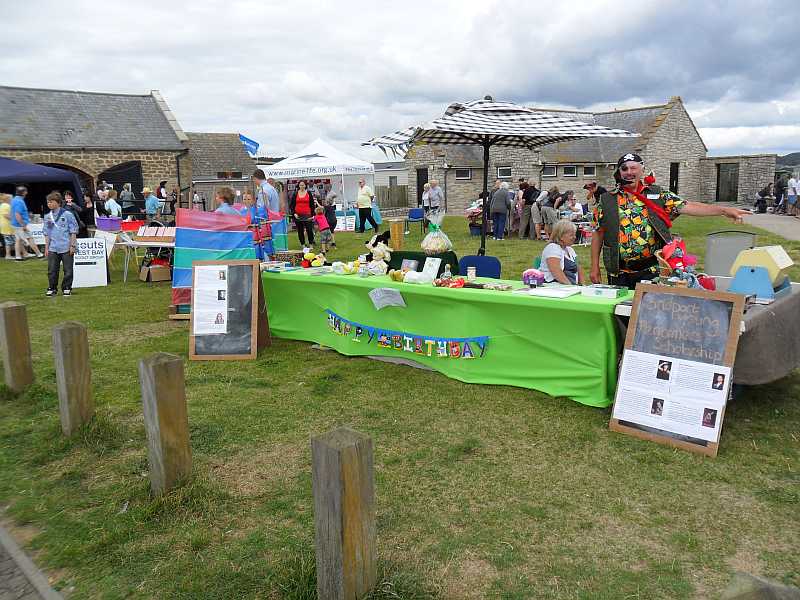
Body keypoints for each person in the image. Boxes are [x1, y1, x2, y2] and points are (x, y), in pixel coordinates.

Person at [591, 153, 749, 288]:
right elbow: (598, 234)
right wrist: (594, 267)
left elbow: (689, 206)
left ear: (642, 170)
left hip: (651, 272)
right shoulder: (607, 200)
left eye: (633, 168)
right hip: (619, 274)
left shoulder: (657, 195)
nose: (629, 172)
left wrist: (724, 210)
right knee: (621, 316)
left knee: (649, 315)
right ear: (619, 173)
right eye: (624, 169)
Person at [43, 191, 79, 296]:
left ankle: (67, 287)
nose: (49, 204)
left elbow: (73, 231)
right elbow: (47, 233)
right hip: (53, 247)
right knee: (52, 269)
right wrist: (46, 247)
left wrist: (72, 245)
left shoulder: (67, 214)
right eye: (48, 202)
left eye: (51, 202)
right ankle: (52, 287)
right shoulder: (48, 217)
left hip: (66, 246)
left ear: (58, 202)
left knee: (68, 269)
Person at [539, 219, 585, 285]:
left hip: (568, 286)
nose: (574, 237)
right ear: (561, 236)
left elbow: (578, 268)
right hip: (554, 287)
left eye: (574, 235)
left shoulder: (570, 249)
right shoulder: (552, 248)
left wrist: (583, 286)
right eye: (571, 235)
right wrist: (571, 287)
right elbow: (557, 272)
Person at [10, 186, 44, 260]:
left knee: (18, 240)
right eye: (26, 191)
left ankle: (18, 256)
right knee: (30, 238)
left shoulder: (14, 200)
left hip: (15, 224)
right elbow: (17, 214)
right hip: (20, 225)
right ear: (23, 193)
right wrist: (23, 225)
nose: (27, 192)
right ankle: (39, 254)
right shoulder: (19, 201)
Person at [289, 180, 316, 246]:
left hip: (308, 214)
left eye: (303, 185)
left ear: (305, 185)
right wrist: (294, 213)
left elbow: (312, 204)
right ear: (298, 186)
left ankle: (311, 244)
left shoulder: (309, 193)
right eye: (300, 185)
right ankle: (303, 244)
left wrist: (313, 215)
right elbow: (292, 205)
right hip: (298, 215)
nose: (302, 186)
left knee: (309, 230)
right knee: (300, 231)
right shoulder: (295, 193)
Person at [0, 193, 14, 259]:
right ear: (7, 199)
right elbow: (6, 215)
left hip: (6, 226)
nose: (12, 199)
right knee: (8, 242)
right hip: (7, 226)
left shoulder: (4, 205)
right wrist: (14, 218)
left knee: (9, 241)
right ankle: (8, 255)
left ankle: (9, 255)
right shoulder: (6, 206)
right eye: (11, 198)